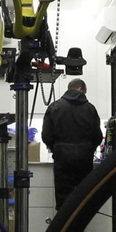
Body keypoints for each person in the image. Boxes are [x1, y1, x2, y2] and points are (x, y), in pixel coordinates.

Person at [41, 78, 102, 208]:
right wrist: (89, 149)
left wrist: (56, 148)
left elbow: (46, 135)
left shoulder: (55, 107)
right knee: (85, 197)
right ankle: (81, 221)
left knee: (63, 199)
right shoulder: (90, 109)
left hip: (62, 157)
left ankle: (65, 221)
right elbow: (97, 136)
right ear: (80, 89)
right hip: (85, 157)